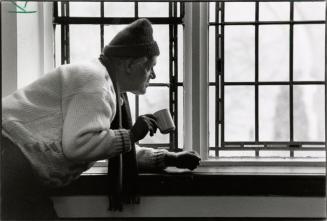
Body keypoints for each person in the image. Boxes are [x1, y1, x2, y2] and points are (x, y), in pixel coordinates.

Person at [1, 18, 201, 219]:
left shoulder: (105, 83)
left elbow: (105, 144)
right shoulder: (95, 82)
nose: (153, 75)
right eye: (150, 66)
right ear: (130, 64)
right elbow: (79, 145)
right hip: (7, 154)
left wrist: (166, 158)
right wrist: (130, 135)